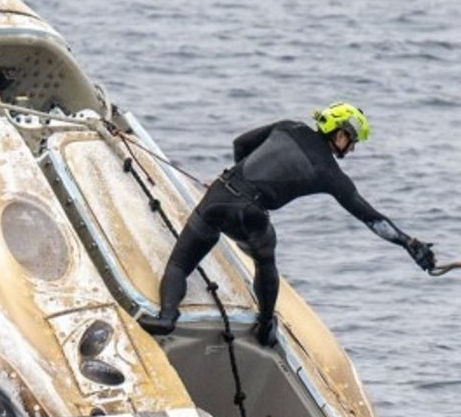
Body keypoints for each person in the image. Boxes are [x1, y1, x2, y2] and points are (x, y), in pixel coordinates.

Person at [138, 102, 437, 345]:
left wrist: (240, 174)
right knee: (265, 259)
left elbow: (240, 143)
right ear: (341, 134)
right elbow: (369, 216)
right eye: (353, 141)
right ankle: (266, 325)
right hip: (252, 215)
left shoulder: (288, 127)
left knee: (179, 265)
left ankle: (166, 318)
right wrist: (408, 242)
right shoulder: (331, 174)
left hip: (219, 195)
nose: (352, 149)